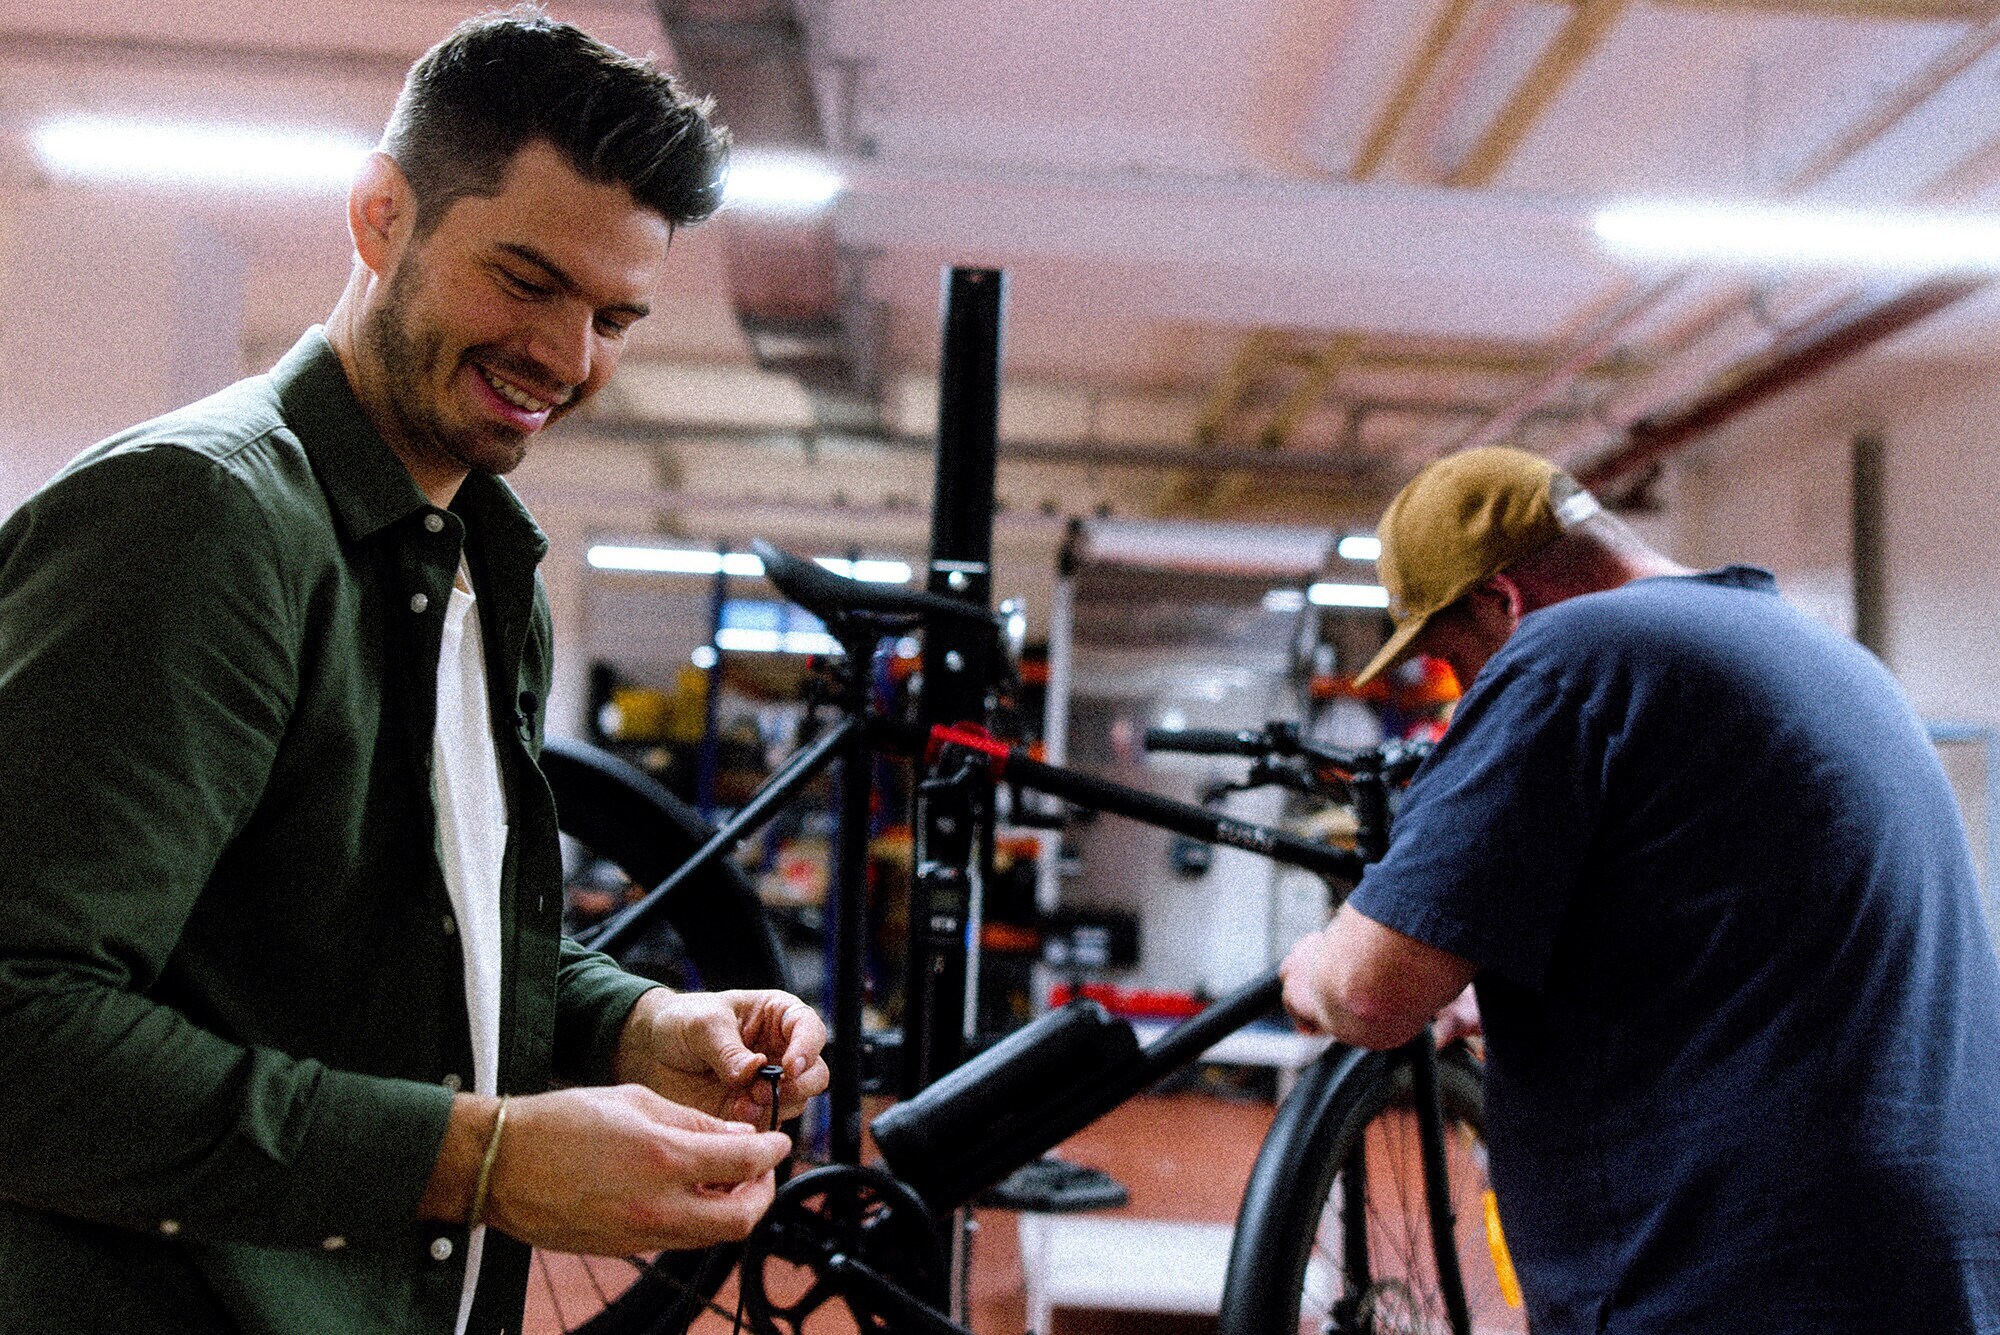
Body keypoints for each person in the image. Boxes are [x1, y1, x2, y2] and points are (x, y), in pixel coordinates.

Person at [0, 11, 829, 1334]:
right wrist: (480, 1157)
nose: (568, 357)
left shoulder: (480, 565)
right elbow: (18, 1023)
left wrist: (636, 1024)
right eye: (526, 280)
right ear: (383, 216)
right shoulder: (203, 520)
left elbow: (392, 942)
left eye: (615, 314)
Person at [1281, 446, 2000, 1333]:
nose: (1467, 694)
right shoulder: (1825, 656)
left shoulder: (1568, 652)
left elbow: (1367, 991)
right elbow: (1731, 944)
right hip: (1931, 1273)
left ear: (1502, 600)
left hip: (1732, 1287)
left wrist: (1313, 967)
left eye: (1459, 662)